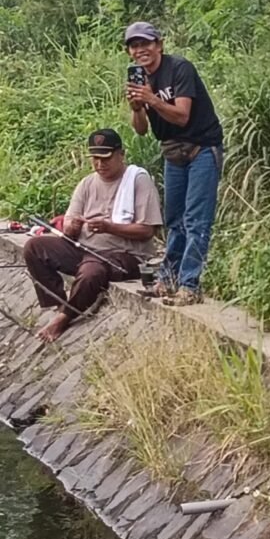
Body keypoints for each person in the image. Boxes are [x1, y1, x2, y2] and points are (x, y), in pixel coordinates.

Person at [23, 129, 162, 342]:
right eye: (95, 159)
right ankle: (61, 303)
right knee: (35, 247)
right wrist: (71, 226)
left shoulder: (138, 180)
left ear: (121, 155)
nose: (99, 164)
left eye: (105, 158)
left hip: (125, 255)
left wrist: (109, 227)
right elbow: (68, 227)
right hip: (84, 248)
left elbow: (147, 230)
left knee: (92, 270)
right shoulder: (87, 183)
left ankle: (65, 318)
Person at [123, 20, 223, 306]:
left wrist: (151, 99)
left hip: (202, 147)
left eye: (146, 43)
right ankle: (167, 281)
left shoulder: (179, 68)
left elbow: (182, 116)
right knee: (174, 220)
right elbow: (141, 129)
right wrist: (136, 107)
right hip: (172, 151)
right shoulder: (139, 79)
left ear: (159, 45)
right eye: (134, 45)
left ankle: (190, 285)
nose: (141, 49)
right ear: (130, 52)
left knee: (196, 220)